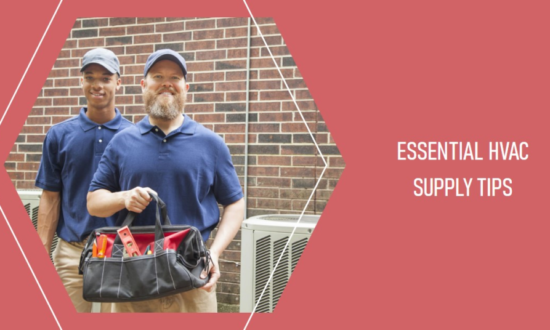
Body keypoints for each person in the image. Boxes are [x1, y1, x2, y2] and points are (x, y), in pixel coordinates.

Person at [87, 49, 245, 313]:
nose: (166, 82)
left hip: (193, 276)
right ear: (143, 85)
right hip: (132, 277)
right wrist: (123, 197)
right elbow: (94, 202)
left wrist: (214, 252)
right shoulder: (121, 142)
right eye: (157, 75)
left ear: (186, 87)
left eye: (175, 77)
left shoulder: (211, 144)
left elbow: (235, 204)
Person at [35, 48, 133, 313]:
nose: (97, 84)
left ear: (118, 83)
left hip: (120, 251)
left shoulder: (135, 137)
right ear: (81, 82)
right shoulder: (59, 135)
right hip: (72, 253)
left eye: (105, 78)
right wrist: (41, 250)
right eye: (89, 77)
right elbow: (50, 196)